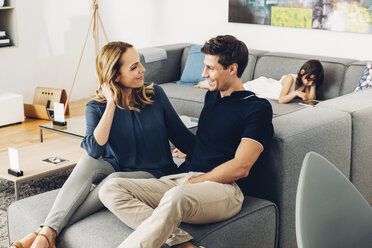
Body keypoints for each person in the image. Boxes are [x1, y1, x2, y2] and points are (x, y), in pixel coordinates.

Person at [9, 41, 195, 248]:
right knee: (86, 163)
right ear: (115, 76)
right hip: (115, 166)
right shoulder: (96, 106)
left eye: (139, 63)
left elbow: (184, 139)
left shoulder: (155, 95)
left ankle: (42, 234)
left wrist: (197, 162)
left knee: (113, 180)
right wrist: (110, 106)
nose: (143, 70)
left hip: (152, 173)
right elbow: (93, 150)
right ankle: (47, 233)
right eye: (134, 67)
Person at [99, 35, 274, 248]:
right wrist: (192, 153)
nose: (203, 74)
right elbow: (213, 139)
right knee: (110, 188)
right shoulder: (213, 96)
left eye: (210, 68)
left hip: (225, 189)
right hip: (185, 178)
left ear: (232, 69)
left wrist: (196, 182)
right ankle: (182, 243)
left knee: (176, 196)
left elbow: (241, 167)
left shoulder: (257, 108)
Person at [195, 59, 324, 104]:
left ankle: (210, 84)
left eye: (313, 81)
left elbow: (310, 101)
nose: (309, 83)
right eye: (309, 79)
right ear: (302, 72)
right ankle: (206, 84)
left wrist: (312, 85)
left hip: (267, 90)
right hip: (263, 87)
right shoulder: (290, 78)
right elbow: (281, 99)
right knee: (234, 90)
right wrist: (296, 94)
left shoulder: (305, 84)